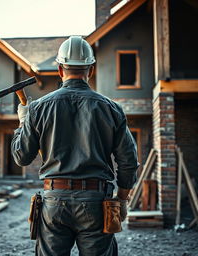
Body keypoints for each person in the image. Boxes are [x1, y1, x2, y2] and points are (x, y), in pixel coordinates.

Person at [11, 36, 139, 256]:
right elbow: (128, 161)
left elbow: (21, 156)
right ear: (90, 69)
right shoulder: (111, 109)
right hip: (96, 203)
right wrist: (122, 199)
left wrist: (23, 122)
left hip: (54, 202)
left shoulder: (38, 109)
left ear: (60, 70)